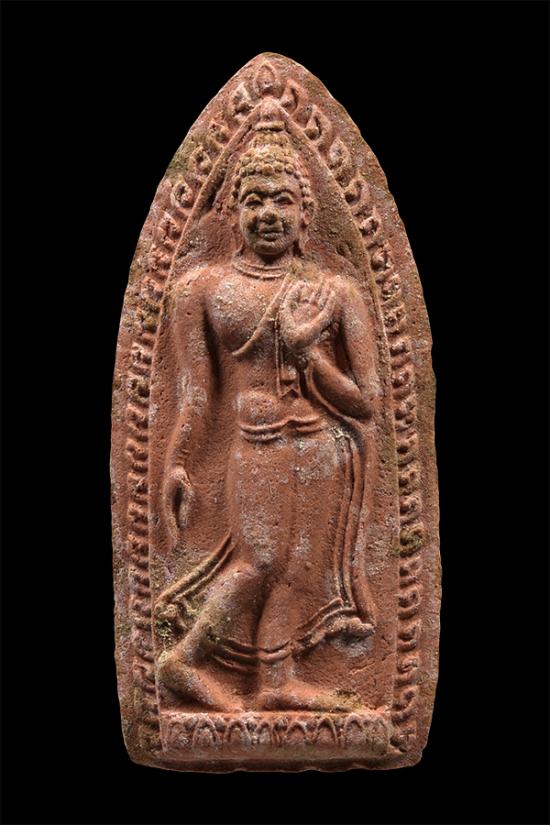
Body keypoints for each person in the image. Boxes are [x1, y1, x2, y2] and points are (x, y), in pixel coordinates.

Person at [154, 120, 379, 712]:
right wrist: (176, 465)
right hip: (256, 444)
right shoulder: (204, 289)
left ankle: (275, 682)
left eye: (283, 200)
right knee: (260, 561)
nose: (269, 214)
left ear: (306, 215)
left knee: (299, 570)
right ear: (232, 214)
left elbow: (366, 403)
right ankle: (183, 660)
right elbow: (195, 394)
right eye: (254, 201)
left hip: (323, 448)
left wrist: (309, 357)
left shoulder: (336, 292)